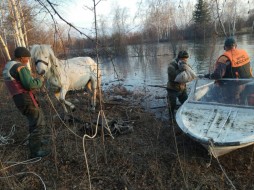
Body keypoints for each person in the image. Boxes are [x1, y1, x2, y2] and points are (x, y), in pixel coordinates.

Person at [2, 47, 51, 158]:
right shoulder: (20, 67)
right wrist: (40, 81)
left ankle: (38, 141)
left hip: (18, 99)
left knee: (34, 120)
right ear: (22, 57)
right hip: (26, 99)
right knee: (39, 124)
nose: (28, 60)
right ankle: (36, 151)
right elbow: (30, 85)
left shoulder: (8, 66)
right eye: (27, 57)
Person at [203, 37, 253, 104]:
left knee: (215, 92)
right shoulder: (244, 53)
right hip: (248, 83)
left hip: (233, 88)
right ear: (235, 46)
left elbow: (217, 75)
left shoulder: (224, 58)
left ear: (225, 47)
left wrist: (209, 76)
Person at [167, 50, 190, 121]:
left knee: (185, 102)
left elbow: (189, 72)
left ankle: (185, 115)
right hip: (172, 88)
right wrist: (180, 69)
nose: (185, 60)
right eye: (183, 59)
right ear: (179, 58)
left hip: (182, 88)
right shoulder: (172, 65)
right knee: (172, 105)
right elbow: (172, 77)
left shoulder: (185, 64)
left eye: (186, 59)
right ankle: (171, 118)